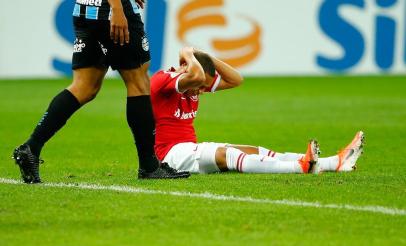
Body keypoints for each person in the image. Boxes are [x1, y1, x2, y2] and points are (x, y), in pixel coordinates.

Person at [13, 0, 190, 183]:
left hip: (85, 9)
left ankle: (31, 147)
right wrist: (117, 8)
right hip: (112, 10)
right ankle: (149, 165)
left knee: (84, 87)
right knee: (138, 82)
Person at [150, 47, 365, 174]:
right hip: (170, 155)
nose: (201, 90)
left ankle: (333, 163)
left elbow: (236, 79)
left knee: (254, 150)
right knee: (229, 155)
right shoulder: (164, 80)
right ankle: (301, 167)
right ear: (186, 69)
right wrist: (187, 52)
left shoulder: (196, 80)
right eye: (199, 86)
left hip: (189, 148)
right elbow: (196, 76)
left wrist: (205, 56)